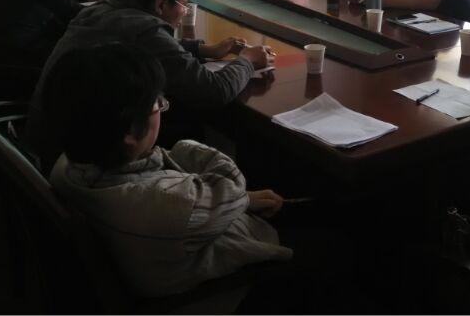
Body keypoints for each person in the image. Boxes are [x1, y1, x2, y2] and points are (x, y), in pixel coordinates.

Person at [47, 43, 291, 306]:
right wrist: (184, 148)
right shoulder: (175, 204)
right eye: (157, 103)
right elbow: (231, 183)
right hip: (213, 293)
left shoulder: (66, 166)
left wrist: (244, 200)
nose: (162, 106)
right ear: (130, 133)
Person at [26, 0, 275, 172]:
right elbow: (213, 90)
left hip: (49, 142)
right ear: (160, 4)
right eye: (183, 5)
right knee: (188, 114)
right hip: (79, 162)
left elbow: (147, 46)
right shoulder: (145, 30)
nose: (185, 12)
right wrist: (247, 60)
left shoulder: (99, 11)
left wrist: (203, 49)